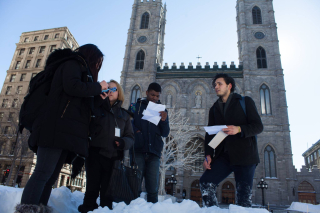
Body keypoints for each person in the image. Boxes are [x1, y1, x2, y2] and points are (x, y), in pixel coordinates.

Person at [16, 44, 108, 213]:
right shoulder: (72, 64)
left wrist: (99, 98)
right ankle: (26, 210)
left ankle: (39, 209)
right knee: (42, 173)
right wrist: (97, 87)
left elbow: (80, 105)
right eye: (97, 62)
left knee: (50, 178)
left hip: (64, 132)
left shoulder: (81, 71)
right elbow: (72, 87)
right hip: (54, 127)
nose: (97, 67)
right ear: (90, 57)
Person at [200, 73, 263, 207]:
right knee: (206, 182)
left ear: (229, 86)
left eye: (219, 84)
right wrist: (208, 155)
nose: (216, 86)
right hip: (225, 156)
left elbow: (258, 126)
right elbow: (211, 135)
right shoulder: (214, 109)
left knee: (243, 200)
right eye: (214, 85)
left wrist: (238, 129)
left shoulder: (245, 102)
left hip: (245, 156)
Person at [78, 80, 134, 212]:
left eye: (113, 89)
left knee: (107, 193)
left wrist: (123, 142)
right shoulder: (95, 107)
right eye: (107, 88)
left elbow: (131, 137)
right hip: (95, 155)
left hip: (113, 158)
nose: (110, 91)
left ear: (119, 93)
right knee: (91, 190)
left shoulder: (124, 115)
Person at [130, 82, 170, 203]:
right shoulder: (134, 106)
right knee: (135, 187)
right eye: (152, 95)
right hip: (138, 151)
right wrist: (137, 132)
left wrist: (164, 120)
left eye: (157, 96)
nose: (155, 98)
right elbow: (127, 124)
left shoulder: (162, 110)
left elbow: (165, 133)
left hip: (154, 153)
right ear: (147, 93)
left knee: (153, 189)